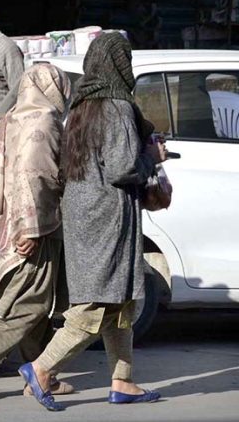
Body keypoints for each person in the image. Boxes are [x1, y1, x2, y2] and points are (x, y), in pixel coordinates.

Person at [19, 33, 168, 412]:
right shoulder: (117, 105)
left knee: (119, 304)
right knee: (95, 306)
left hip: (85, 214)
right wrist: (152, 158)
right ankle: (40, 369)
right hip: (107, 218)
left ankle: (123, 380)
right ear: (121, 63)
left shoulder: (82, 105)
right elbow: (122, 166)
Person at [0, 64, 74, 400]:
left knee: (35, 302)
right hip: (33, 225)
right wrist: (32, 228)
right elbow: (35, 178)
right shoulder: (45, 122)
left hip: (9, 222)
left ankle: (42, 373)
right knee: (31, 301)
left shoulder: (14, 118)